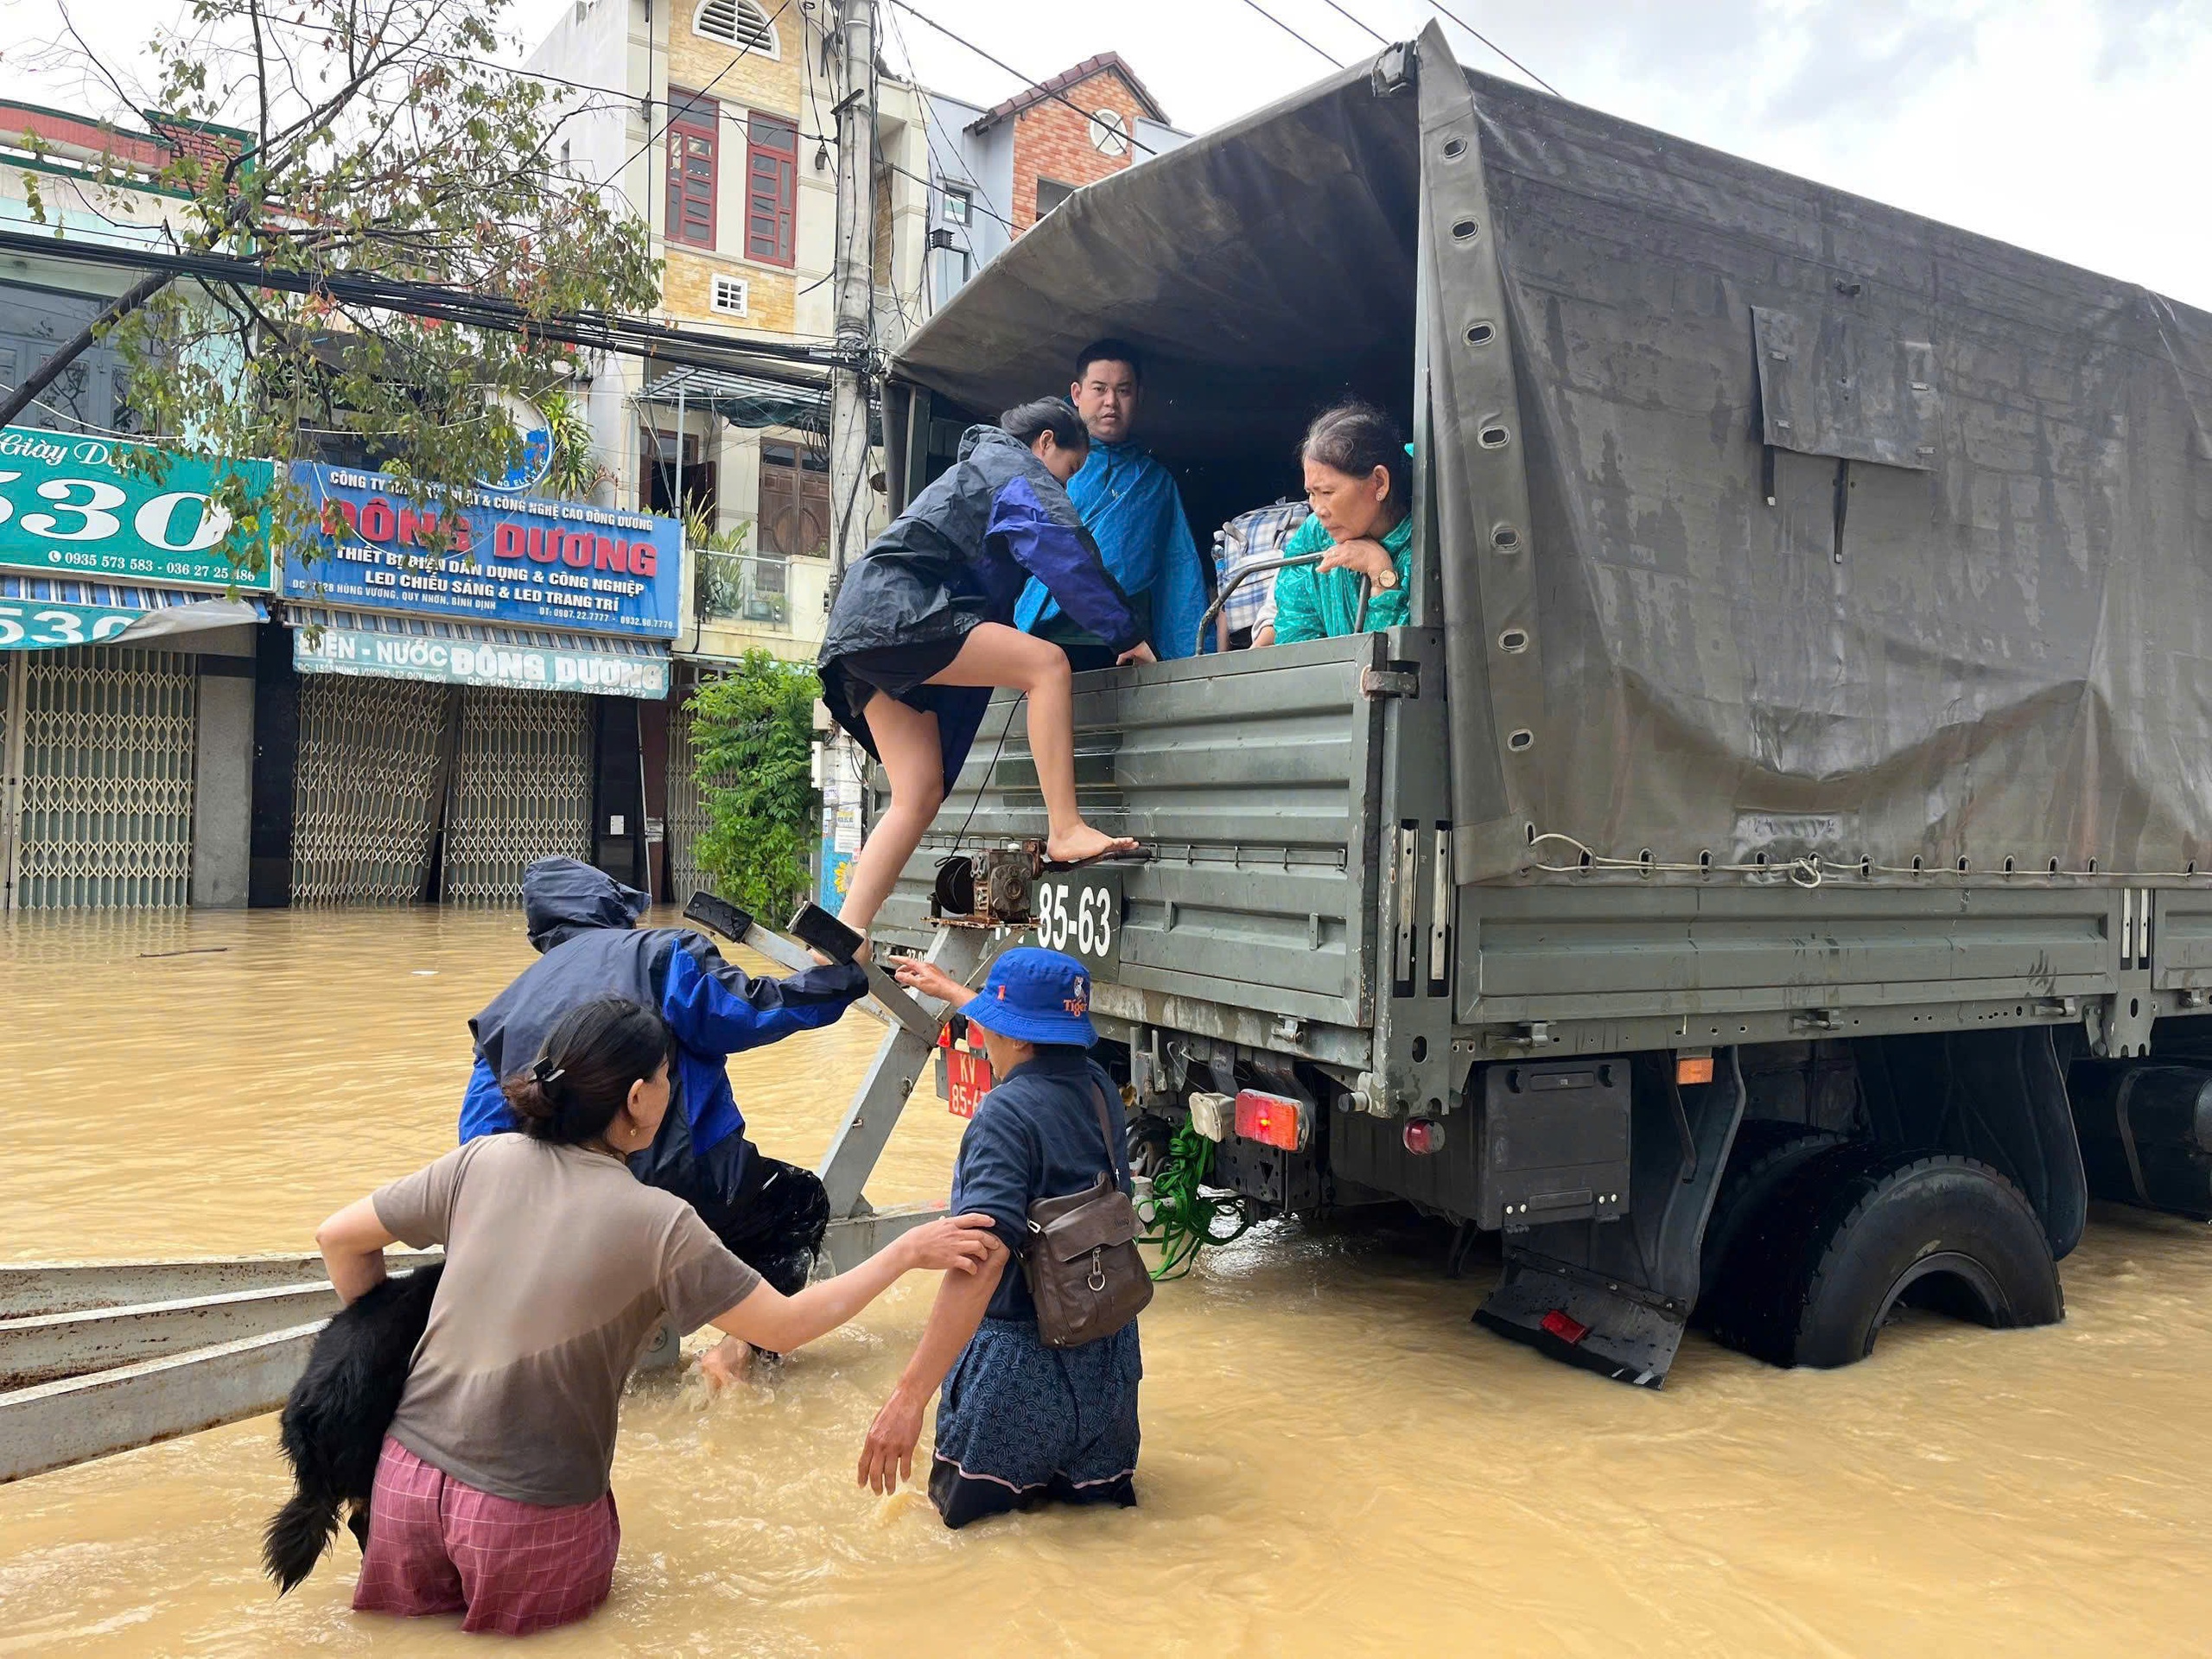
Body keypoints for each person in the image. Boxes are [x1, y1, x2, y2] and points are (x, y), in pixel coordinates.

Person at [320, 995, 996, 1636]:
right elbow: (786, 1325)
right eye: (668, 1077)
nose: (672, 1090)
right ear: (638, 1100)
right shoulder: (659, 1223)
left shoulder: (480, 1159)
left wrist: (391, 1353)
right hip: (527, 1512)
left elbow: (339, 1239)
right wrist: (906, 1251)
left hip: (401, 1487)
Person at [461, 855, 865, 1387]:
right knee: (797, 1203)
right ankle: (742, 1346)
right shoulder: (658, 953)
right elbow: (748, 1011)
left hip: (556, 1212)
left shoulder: (503, 1009)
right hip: (685, 1183)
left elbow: (478, 1139)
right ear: (613, 906)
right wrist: (837, 982)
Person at [818, 398, 1156, 945]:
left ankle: (843, 934)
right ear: (1045, 443)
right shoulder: (1011, 469)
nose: (1064, 491)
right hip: (898, 614)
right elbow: (1061, 547)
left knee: (918, 793)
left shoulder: (972, 473)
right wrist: (1127, 632)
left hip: (862, 631)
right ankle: (1065, 828)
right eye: (1068, 473)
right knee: (1048, 665)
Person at [857, 948, 1142, 1529]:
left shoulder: (1004, 1116)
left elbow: (980, 1259)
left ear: (1008, 1034)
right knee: (1100, 1539)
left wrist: (909, 1397)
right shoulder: (1099, 1091)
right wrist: (953, 991)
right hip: (1109, 1368)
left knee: (973, 1547)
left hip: (1017, 1378)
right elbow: (1026, 1039)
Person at [1014, 340, 1211, 664]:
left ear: (1139, 397)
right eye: (1099, 389)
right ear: (1077, 394)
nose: (1111, 403)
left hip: (1123, 647)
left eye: (1123, 391)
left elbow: (1178, 571)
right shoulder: (1045, 458)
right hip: (1044, 636)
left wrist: (1193, 660)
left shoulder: (1154, 482)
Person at [1264, 401, 1415, 646]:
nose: (1318, 509)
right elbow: (1297, 641)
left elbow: (1397, 668)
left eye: (1327, 492)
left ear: (1379, 483)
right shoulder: (1313, 537)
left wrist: (1382, 575)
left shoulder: (1428, 543)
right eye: (1311, 493)